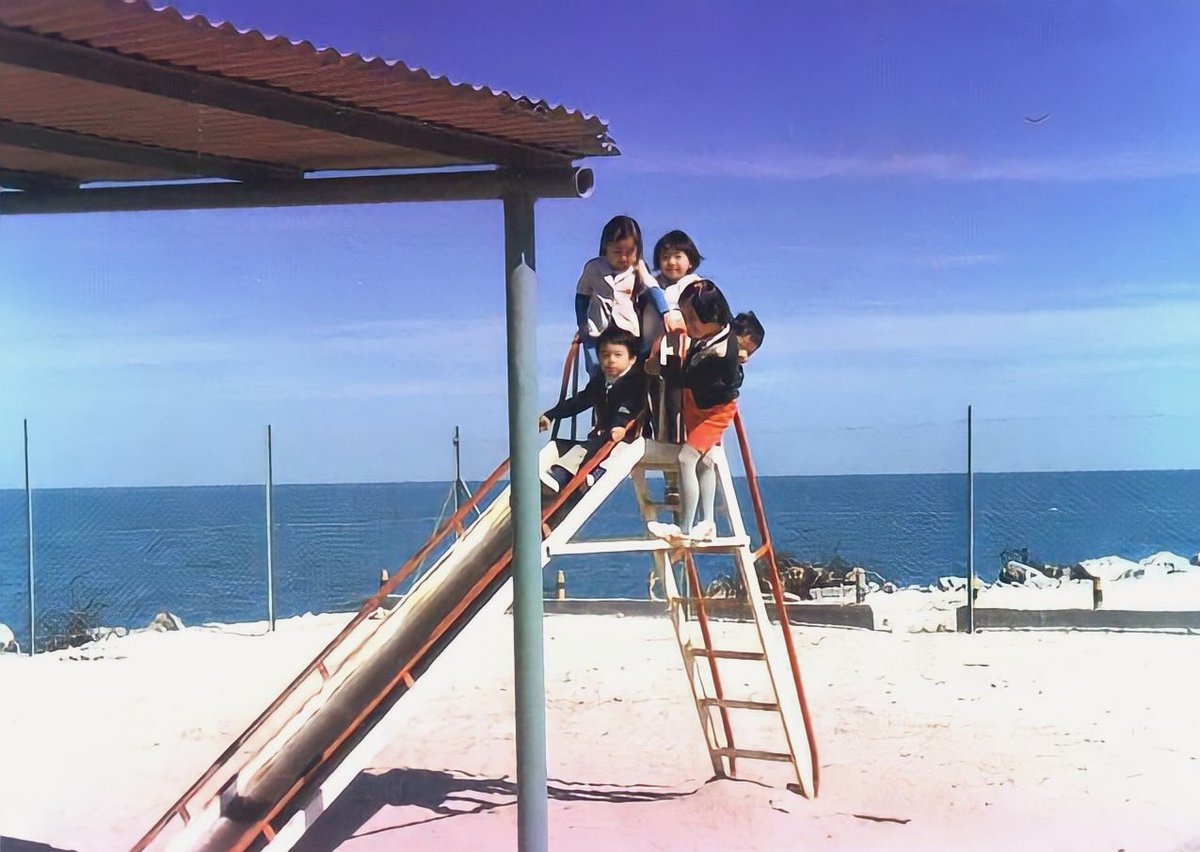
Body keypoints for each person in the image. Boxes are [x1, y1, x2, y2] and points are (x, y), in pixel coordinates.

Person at [647, 280, 741, 542]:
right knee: (706, 461)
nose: (688, 325)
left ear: (713, 315)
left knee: (686, 459)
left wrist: (660, 368)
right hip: (698, 406)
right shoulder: (712, 337)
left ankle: (685, 528)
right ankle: (708, 522)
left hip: (713, 412)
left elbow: (688, 377)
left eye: (692, 318)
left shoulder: (720, 352)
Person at [539, 326, 647, 491]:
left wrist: (620, 425)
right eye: (605, 355)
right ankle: (564, 475)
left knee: (608, 452)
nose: (611, 360)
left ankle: (567, 475)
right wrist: (551, 415)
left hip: (630, 437)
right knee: (573, 447)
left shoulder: (635, 382)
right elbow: (580, 401)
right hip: (604, 436)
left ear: (632, 359)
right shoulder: (599, 382)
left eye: (618, 355)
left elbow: (630, 405)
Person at [575, 215, 684, 374]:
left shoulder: (638, 267)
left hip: (626, 330)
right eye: (617, 251)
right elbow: (582, 296)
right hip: (597, 329)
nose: (623, 257)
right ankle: (597, 387)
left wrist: (665, 313)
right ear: (606, 247)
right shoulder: (593, 268)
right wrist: (582, 324)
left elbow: (653, 288)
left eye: (629, 251)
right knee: (596, 368)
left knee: (629, 371)